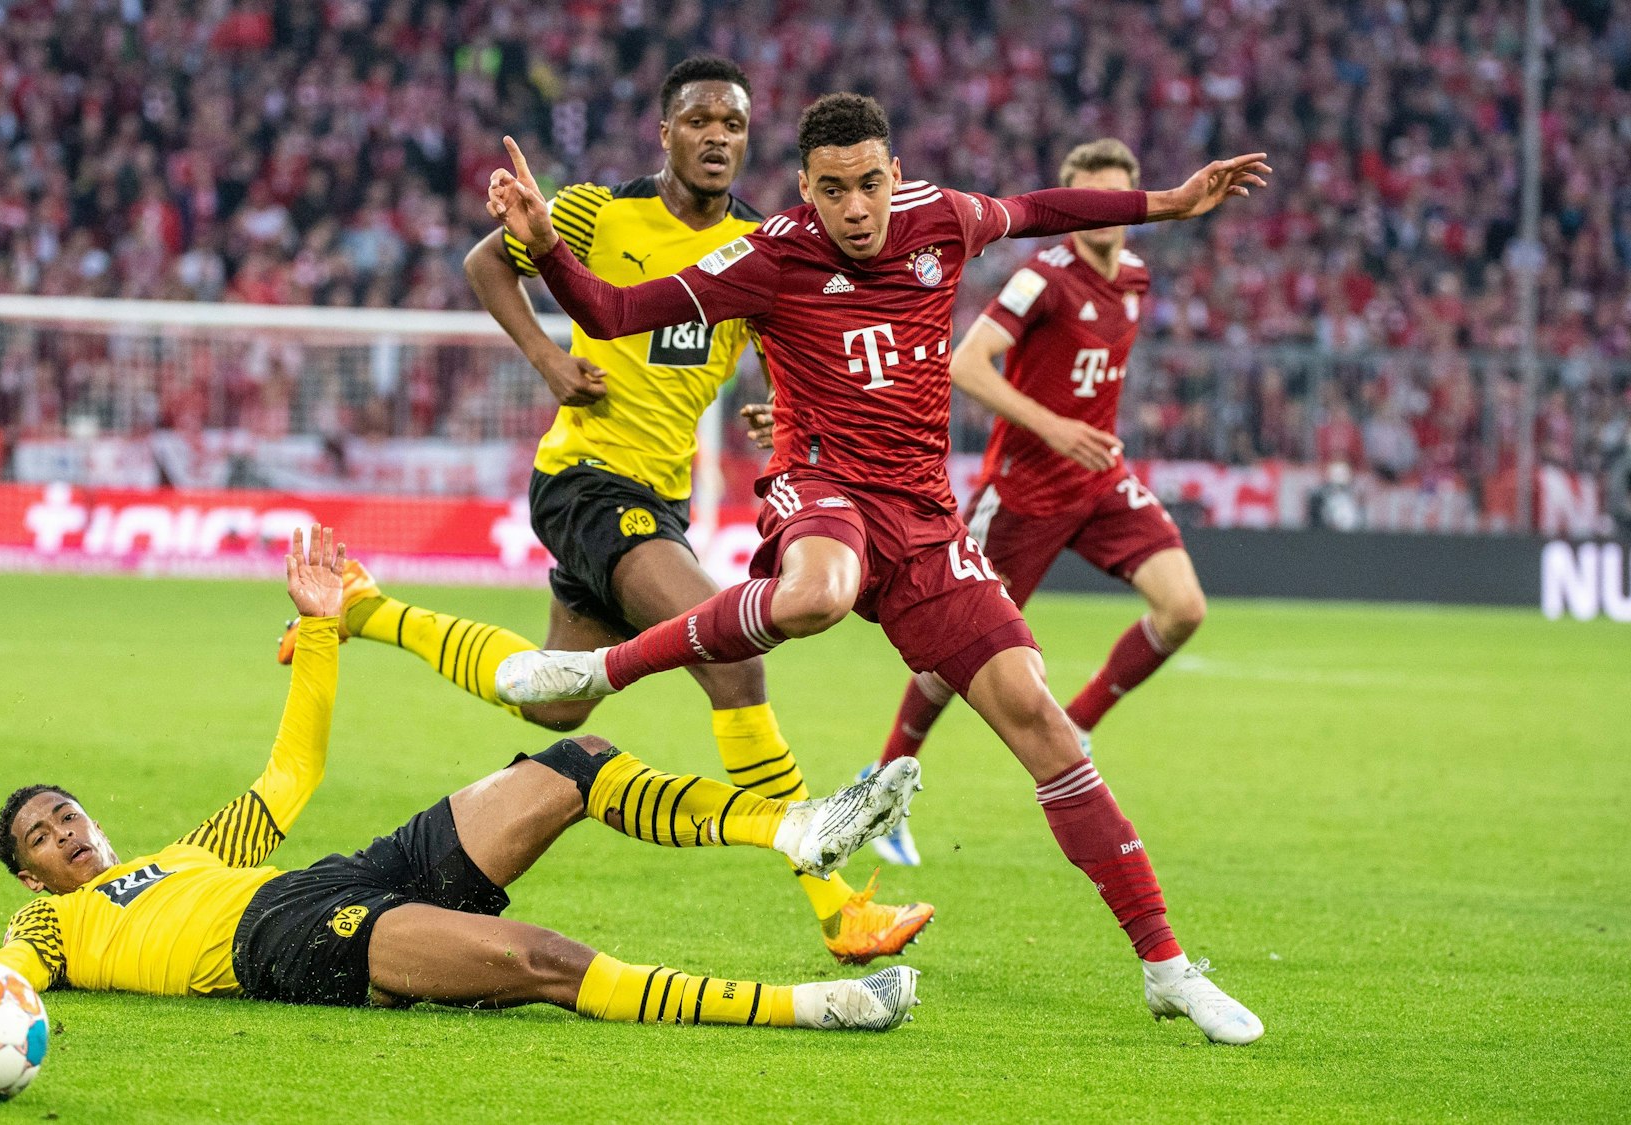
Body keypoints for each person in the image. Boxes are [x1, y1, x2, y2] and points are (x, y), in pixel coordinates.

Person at [485, 93, 1270, 1044]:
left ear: (894, 175)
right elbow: (612, 310)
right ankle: (603, 666)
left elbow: (1043, 208)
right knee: (818, 591)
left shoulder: (945, 219)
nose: (854, 210)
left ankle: (1168, 968)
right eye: (831, 191)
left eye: (868, 186)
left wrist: (1171, 204)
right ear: (804, 191)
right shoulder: (772, 254)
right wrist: (550, 251)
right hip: (819, 487)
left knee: (1044, 724)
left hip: (927, 518)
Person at [277, 57, 931, 964]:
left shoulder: (769, 244)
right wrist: (549, 362)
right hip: (587, 480)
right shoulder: (597, 212)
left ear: (750, 141)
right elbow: (485, 263)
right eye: (699, 120)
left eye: (733, 124)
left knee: (557, 704)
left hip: (658, 498)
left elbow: (787, 338)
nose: (716, 136)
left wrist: (784, 404)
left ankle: (365, 611)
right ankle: (836, 906)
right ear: (666, 132)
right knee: (734, 659)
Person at [0, 526, 923, 1032]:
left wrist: (320, 624)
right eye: (41, 835)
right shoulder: (47, 930)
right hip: (281, 944)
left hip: (335, 877)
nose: (65, 832)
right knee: (543, 962)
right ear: (31, 878)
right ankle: (814, 1005)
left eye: (66, 813)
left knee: (574, 761)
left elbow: (291, 773)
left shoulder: (189, 851)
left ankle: (789, 832)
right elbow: (8, 982)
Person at [806, 139, 1215, 867]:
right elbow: (967, 363)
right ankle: (882, 776)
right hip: (1024, 491)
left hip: (1098, 481)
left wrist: (1084, 432)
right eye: (1089, 195)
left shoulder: (1138, 277)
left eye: (1116, 194)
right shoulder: (1041, 278)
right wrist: (1056, 426)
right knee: (952, 651)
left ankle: (1078, 724)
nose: (1103, 211)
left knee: (1183, 607)